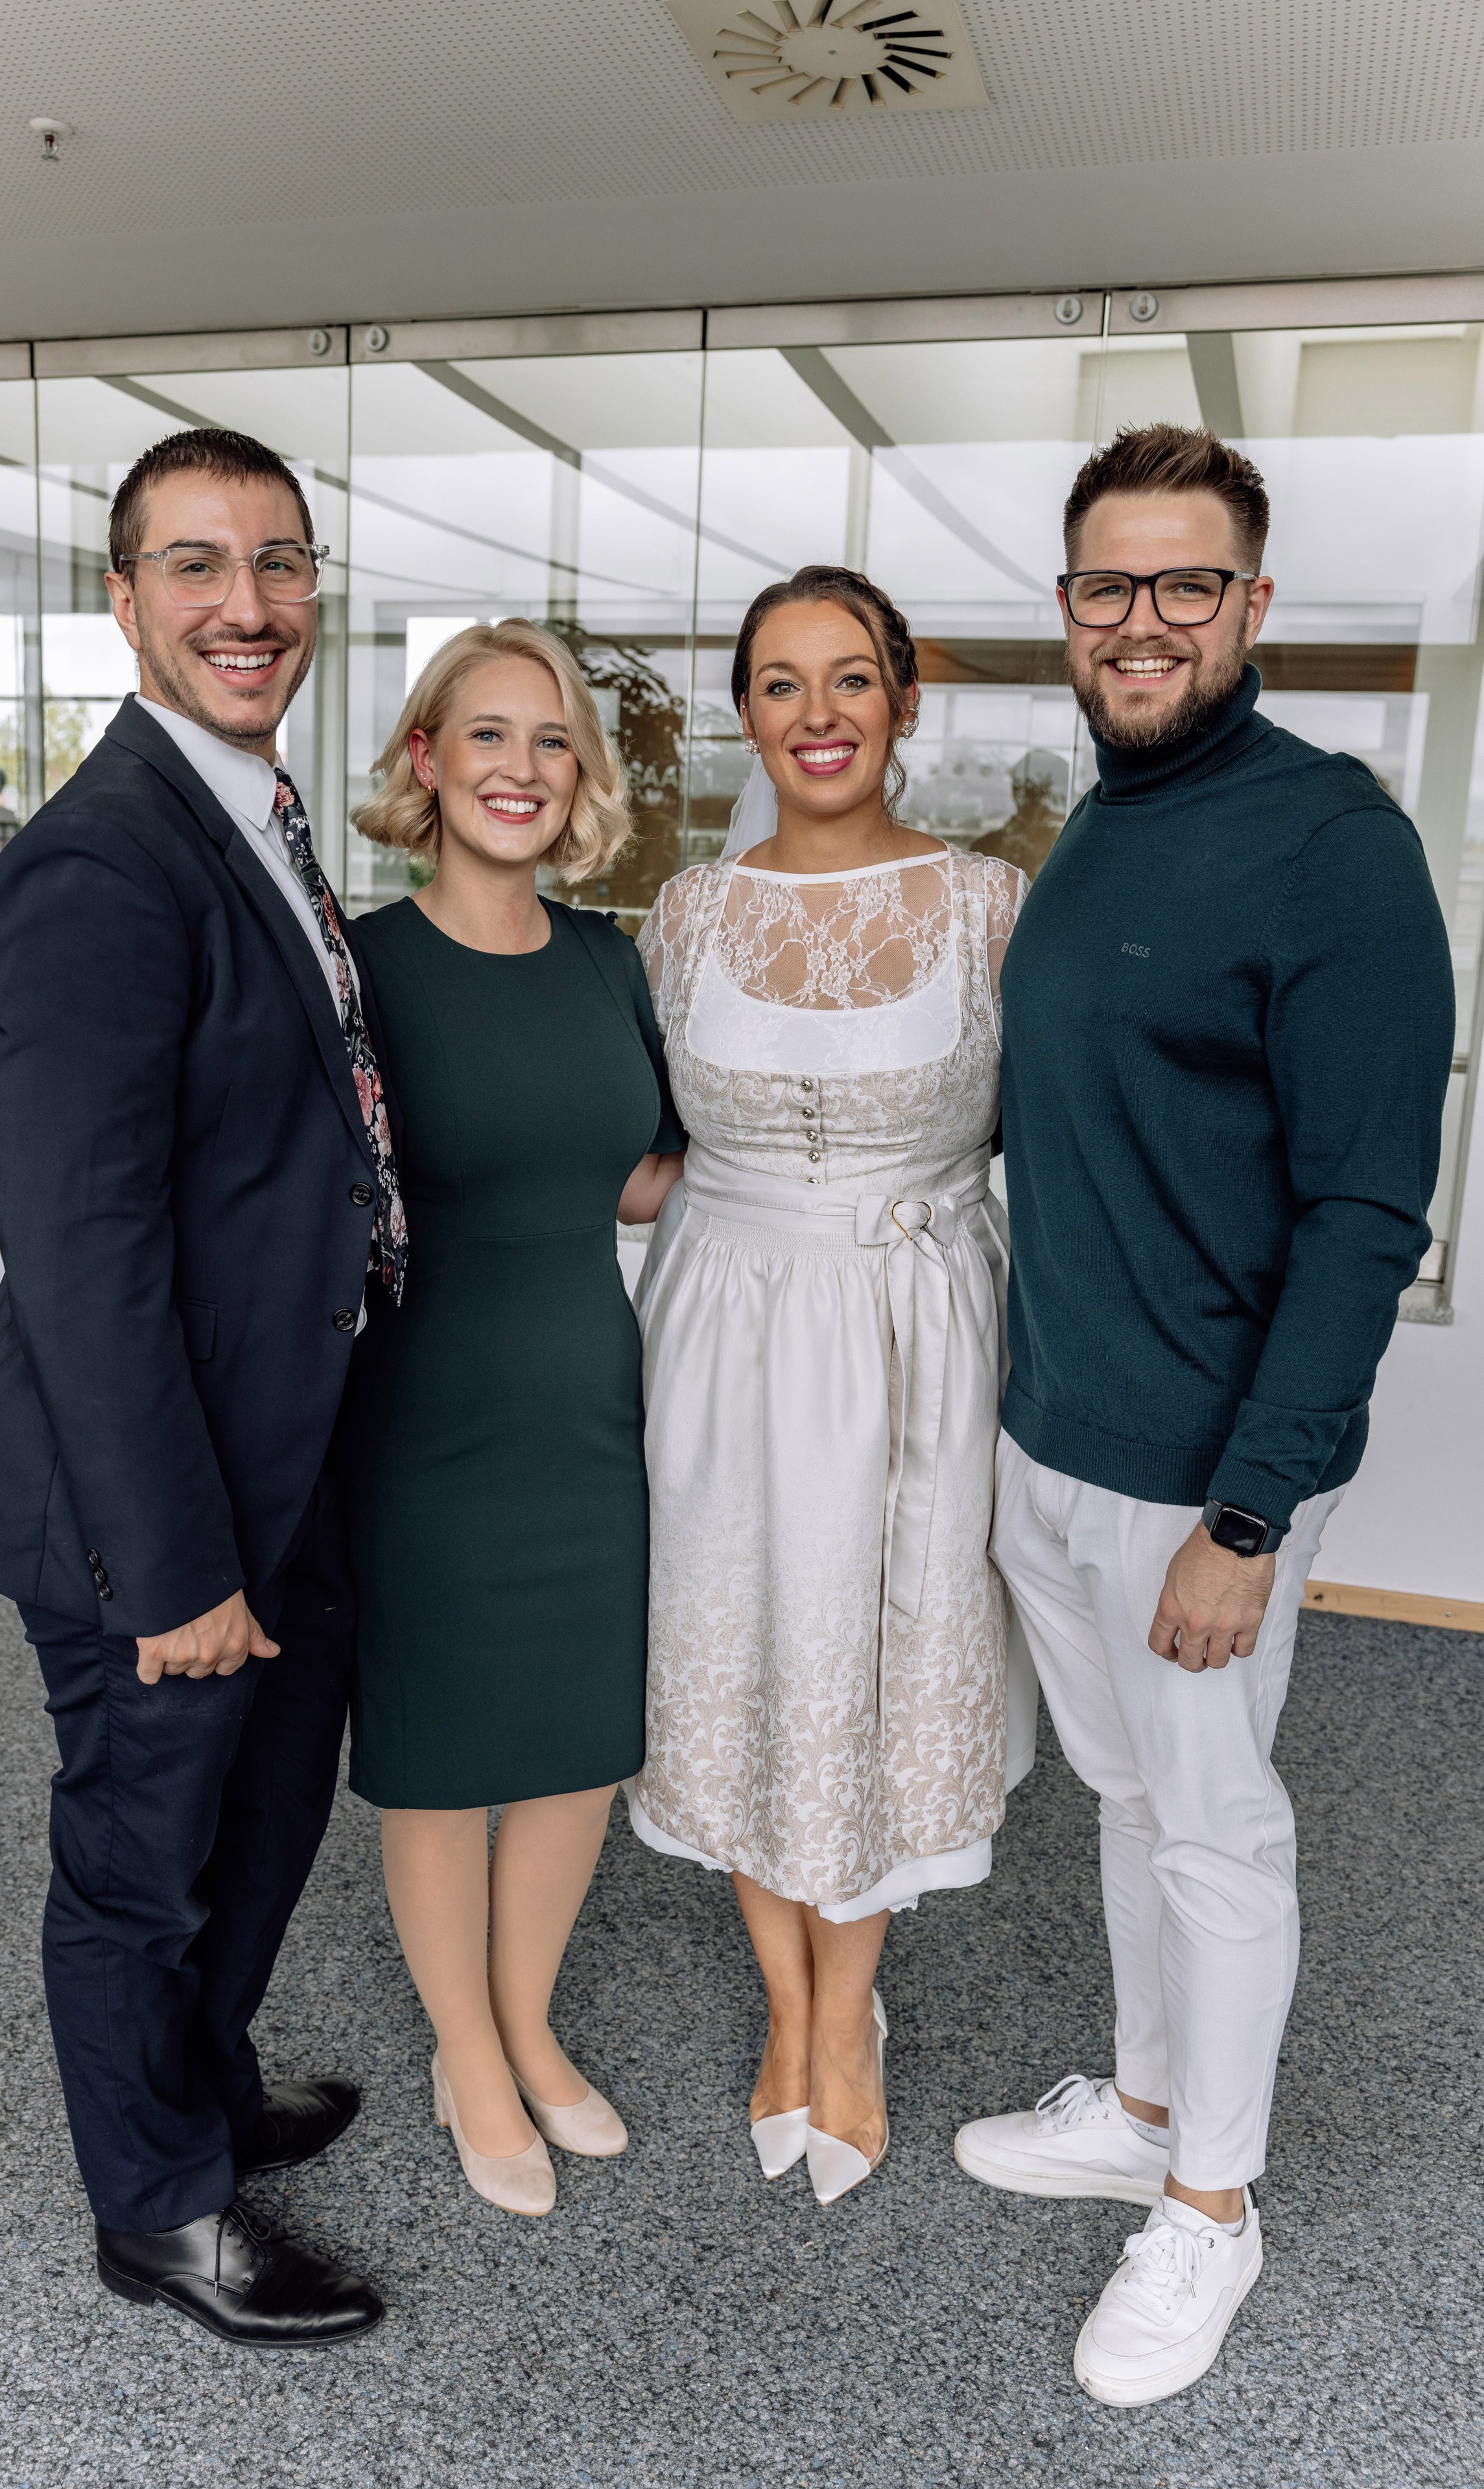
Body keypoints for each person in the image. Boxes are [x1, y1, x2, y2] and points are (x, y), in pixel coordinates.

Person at [956, 424, 1454, 2405]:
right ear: (1067, 610)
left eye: (1185, 585)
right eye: (1107, 586)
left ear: (1252, 605)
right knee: (1136, 1806)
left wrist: (1251, 1520)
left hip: (1201, 1484)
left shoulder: (1333, 838)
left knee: (1218, 1827)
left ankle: (1214, 2212)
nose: (1140, 620)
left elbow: (1364, 1212)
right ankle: (1150, 2098)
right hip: (1056, 1433)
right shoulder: (1098, 816)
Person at [0, 427, 403, 2348]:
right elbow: (83, 1253)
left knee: (268, 1816)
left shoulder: (260, 816)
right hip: (160, 1513)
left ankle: (205, 2082)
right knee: (141, 1859)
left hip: (284, 1462)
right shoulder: (97, 861)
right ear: (122, 595)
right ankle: (160, 2210)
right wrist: (174, 1569)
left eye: (280, 563)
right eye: (197, 565)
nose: (248, 603)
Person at [629, 567, 1033, 2206]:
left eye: (850, 679)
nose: (817, 714)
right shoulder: (683, 916)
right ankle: (785, 2008)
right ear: (745, 712)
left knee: (869, 1654)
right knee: (732, 1649)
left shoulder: (993, 908)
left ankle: (846, 2019)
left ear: (903, 704)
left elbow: (1055, 1133)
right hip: (720, 1325)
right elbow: (632, 1140)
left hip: (914, 1326)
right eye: (781, 684)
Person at [344, 620, 684, 2217]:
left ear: (581, 778)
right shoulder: (356, 964)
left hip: (590, 1394)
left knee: (570, 1738)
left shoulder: (611, 958)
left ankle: (530, 2020)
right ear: (425, 759)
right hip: (425, 1400)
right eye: (486, 736)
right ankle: (462, 2047)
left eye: (551, 742)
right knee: (437, 1745)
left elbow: (631, 1170)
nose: (521, 769)